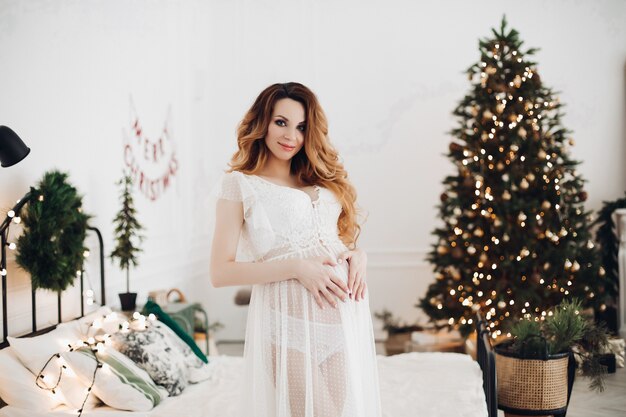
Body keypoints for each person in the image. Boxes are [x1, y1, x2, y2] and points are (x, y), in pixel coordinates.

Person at [209, 82, 382, 417]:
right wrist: (296, 267)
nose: (291, 135)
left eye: (301, 127)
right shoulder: (240, 184)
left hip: (340, 321)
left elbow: (330, 241)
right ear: (262, 123)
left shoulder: (318, 179)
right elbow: (220, 272)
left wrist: (358, 255)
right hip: (287, 327)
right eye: (281, 122)